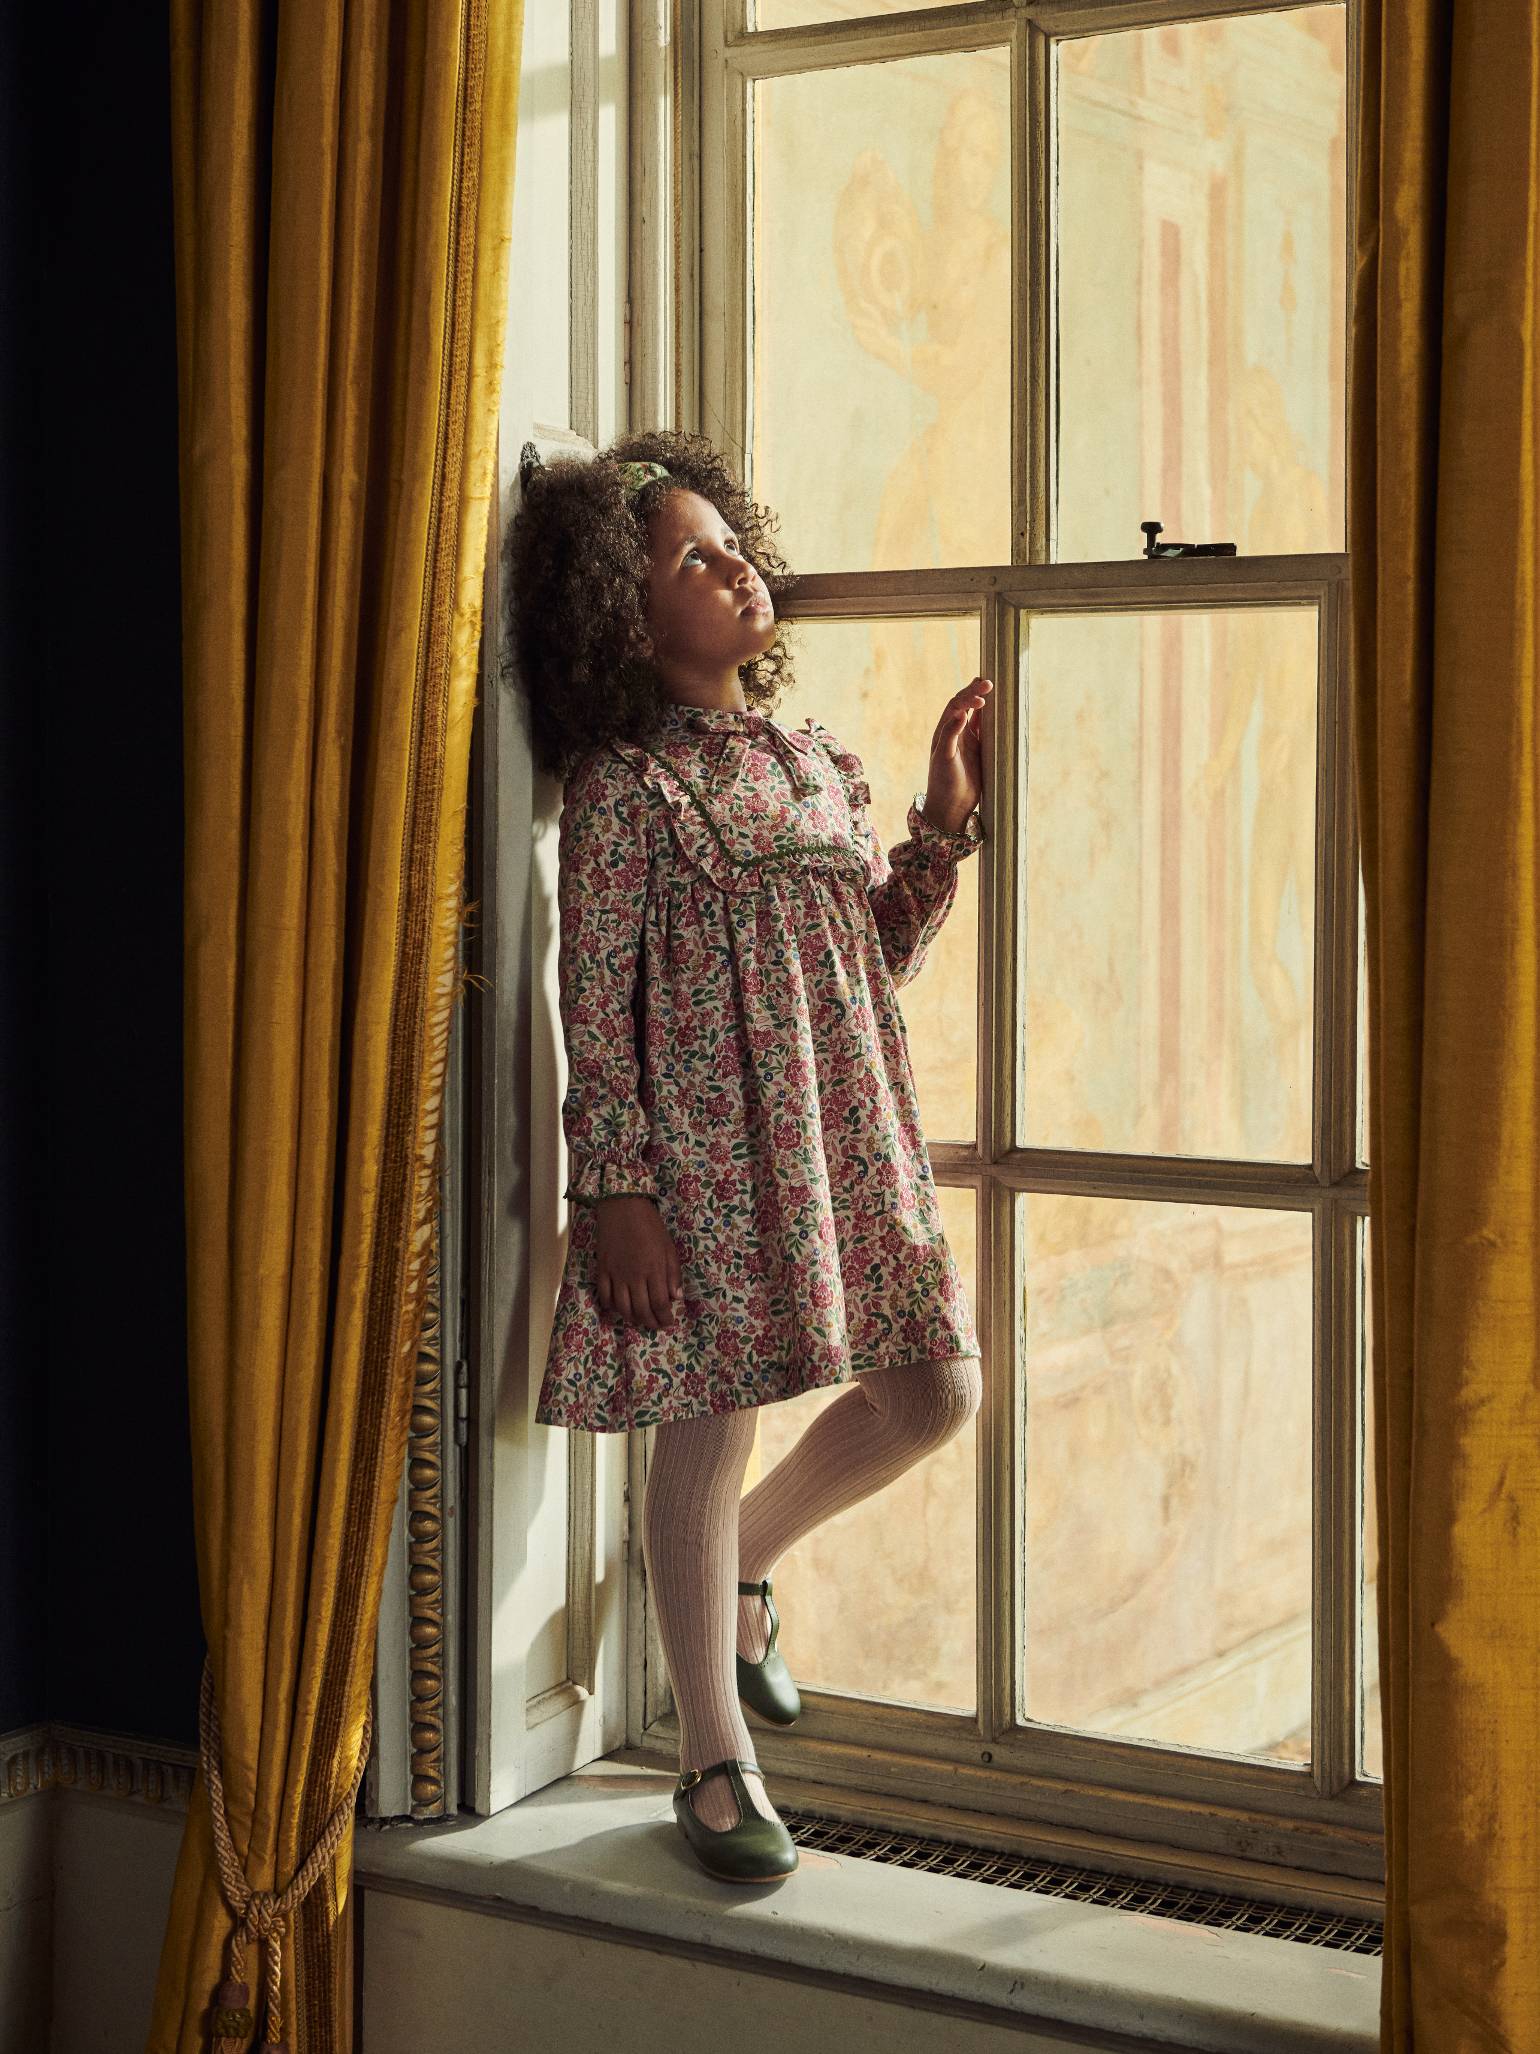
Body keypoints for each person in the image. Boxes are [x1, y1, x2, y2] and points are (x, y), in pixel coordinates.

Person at [506, 427, 990, 1885]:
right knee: (706, 1429)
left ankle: (744, 1572)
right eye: (689, 560)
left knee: (935, 1389)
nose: (733, 569)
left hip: (842, 1144)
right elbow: (590, 996)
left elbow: (862, 960)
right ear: (627, 615)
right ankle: (712, 1756)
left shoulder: (819, 758)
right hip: (707, 1169)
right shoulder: (625, 788)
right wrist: (619, 1190)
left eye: (733, 545)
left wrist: (939, 838)